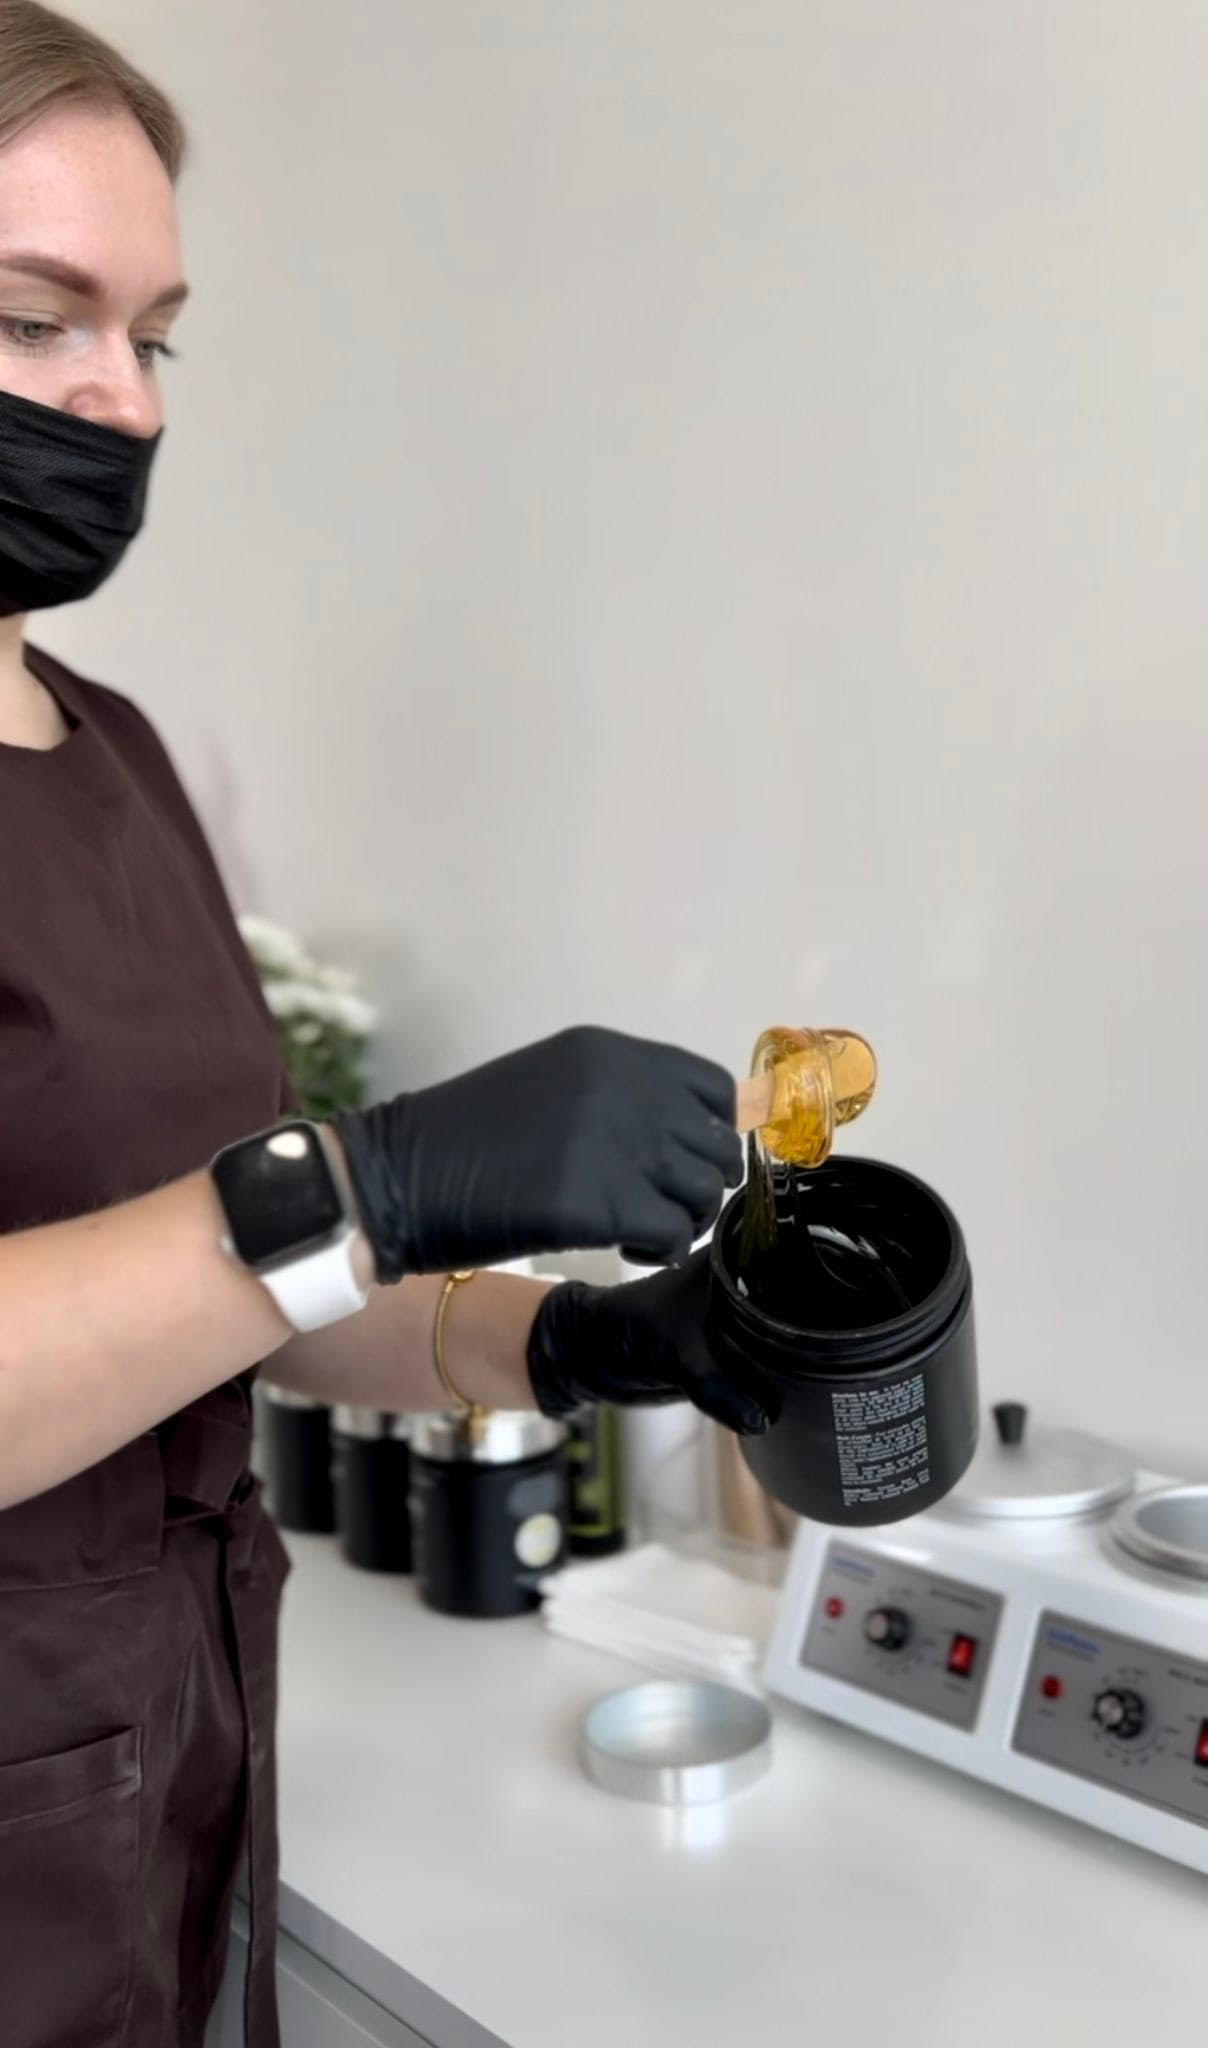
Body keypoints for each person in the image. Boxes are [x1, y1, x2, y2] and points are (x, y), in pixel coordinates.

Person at [0, 8, 772, 2044]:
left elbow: (244, 1285)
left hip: (168, 1763)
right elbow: (290, 1219)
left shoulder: (114, 752)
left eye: (155, 339)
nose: (120, 401)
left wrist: (576, 1342)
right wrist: (369, 1176)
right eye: (32, 321)